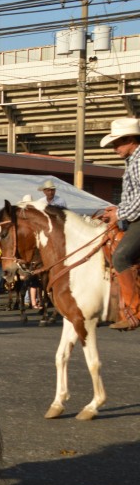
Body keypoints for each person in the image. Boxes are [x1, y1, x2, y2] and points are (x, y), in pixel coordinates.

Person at [97, 117, 140, 330]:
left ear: (131, 139)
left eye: (117, 142)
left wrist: (120, 213)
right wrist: (117, 211)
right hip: (134, 217)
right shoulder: (132, 160)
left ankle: (134, 311)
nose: (114, 148)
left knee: (121, 256)